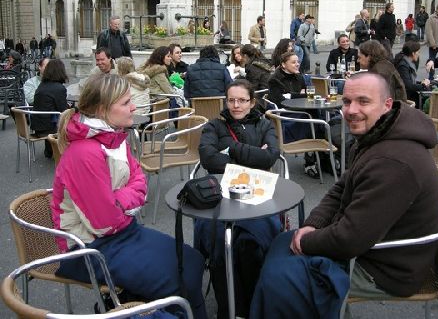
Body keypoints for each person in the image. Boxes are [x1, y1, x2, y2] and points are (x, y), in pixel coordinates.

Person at [249, 72, 438, 319]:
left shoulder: (393, 161)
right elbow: (340, 189)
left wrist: (305, 241)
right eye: (346, 101)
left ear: (387, 105)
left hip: (385, 267)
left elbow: (350, 239)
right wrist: (311, 226)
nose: (351, 110)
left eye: (363, 101)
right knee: (280, 243)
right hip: (369, 246)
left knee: (282, 274)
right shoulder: (377, 135)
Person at [51, 73, 207, 318]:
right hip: (88, 249)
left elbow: (140, 180)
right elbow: (105, 223)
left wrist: (118, 201)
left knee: (192, 260)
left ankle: (132, 302)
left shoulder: (113, 137)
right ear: (102, 110)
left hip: (122, 233)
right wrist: (124, 202)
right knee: (178, 278)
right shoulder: (84, 153)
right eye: (125, 103)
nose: (133, 106)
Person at [196, 79, 280, 318]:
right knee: (218, 240)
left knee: (251, 242)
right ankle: (230, 307)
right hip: (222, 194)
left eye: (242, 100)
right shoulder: (214, 125)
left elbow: (271, 157)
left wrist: (232, 148)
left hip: (258, 194)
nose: (236, 105)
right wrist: (252, 157)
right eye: (231, 100)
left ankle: (254, 301)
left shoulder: (265, 124)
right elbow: (207, 158)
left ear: (252, 102)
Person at [31, 59, 68, 158]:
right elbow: (64, 111)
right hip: (49, 128)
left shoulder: (42, 85)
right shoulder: (59, 88)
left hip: (38, 127)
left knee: (53, 117)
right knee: (74, 121)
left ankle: (49, 150)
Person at [394, 41, 430, 106]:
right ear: (413, 53)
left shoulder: (407, 62)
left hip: (408, 94)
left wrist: (421, 83)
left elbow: (409, 81)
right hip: (406, 97)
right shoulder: (403, 66)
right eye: (418, 52)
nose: (419, 54)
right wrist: (423, 85)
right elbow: (408, 86)